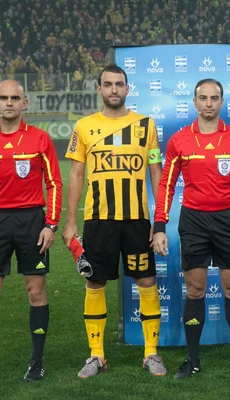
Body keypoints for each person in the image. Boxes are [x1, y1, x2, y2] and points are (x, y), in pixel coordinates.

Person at [151, 78, 230, 379]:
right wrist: (160, 225)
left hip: (229, 221)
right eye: (203, 98)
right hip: (194, 223)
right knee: (196, 290)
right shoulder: (179, 141)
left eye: (214, 98)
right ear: (194, 102)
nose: (209, 104)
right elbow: (166, 185)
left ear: (222, 101)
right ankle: (192, 360)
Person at [62, 64, 166, 378]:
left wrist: (158, 219)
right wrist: (70, 222)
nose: (114, 90)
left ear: (127, 88)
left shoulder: (145, 125)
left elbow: (156, 172)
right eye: (108, 84)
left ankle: (151, 354)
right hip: (98, 221)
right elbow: (77, 174)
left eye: (119, 84)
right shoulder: (83, 126)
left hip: (137, 219)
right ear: (99, 89)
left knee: (147, 281)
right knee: (95, 282)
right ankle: (97, 356)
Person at [0, 80, 63, 382]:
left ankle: (36, 363)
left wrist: (51, 224)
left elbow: (54, 183)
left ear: (25, 103)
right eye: (3, 98)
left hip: (32, 222)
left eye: (15, 98)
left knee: (36, 292)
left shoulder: (40, 139)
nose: (9, 103)